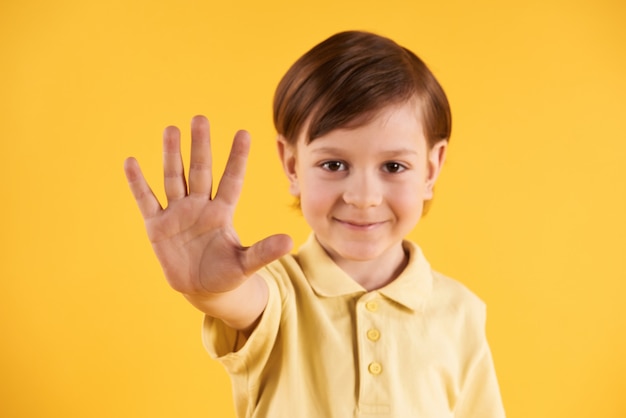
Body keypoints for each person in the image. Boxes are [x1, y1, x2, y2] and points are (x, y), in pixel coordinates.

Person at [124, 31, 506, 417]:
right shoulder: (276, 293)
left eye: (393, 166)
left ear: (430, 168)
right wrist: (207, 290)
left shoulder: (462, 312)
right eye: (334, 165)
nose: (363, 197)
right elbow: (238, 300)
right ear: (292, 165)